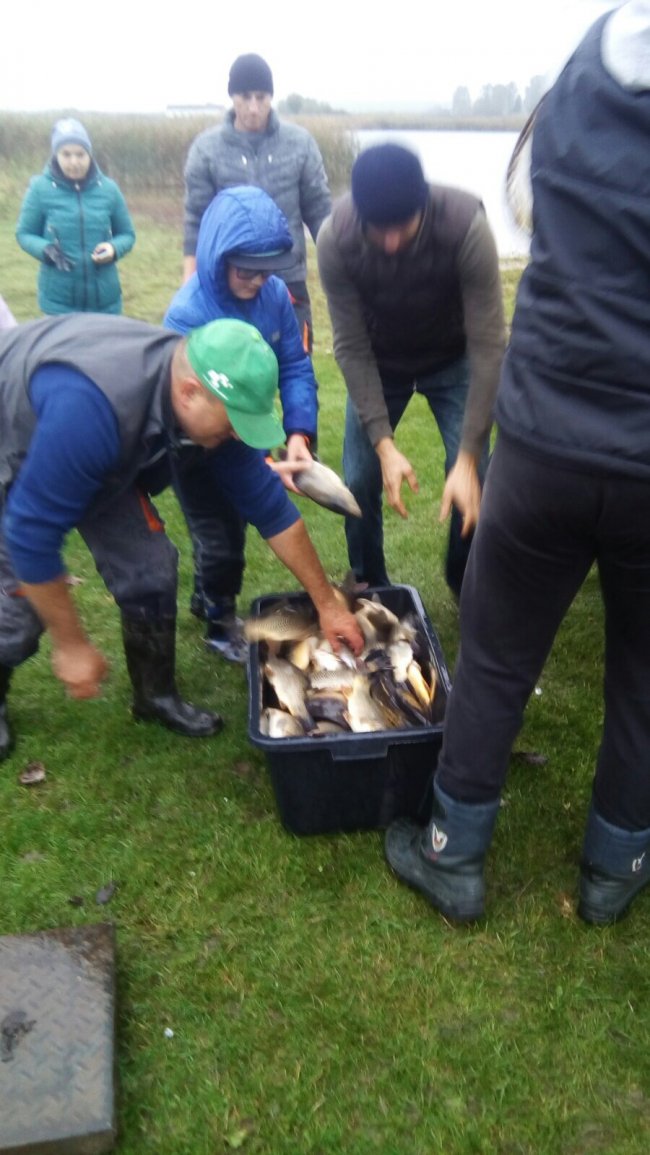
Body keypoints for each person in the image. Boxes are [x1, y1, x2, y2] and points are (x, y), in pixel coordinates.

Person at [384, 0, 650, 927]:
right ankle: (615, 868)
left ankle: (453, 853)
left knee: (496, 657)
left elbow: (525, 206)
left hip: (545, 442)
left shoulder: (577, 83)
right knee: (642, 678)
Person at [0, 314, 364, 763]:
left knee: (151, 568)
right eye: (233, 423)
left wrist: (328, 604)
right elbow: (31, 535)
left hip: (100, 459)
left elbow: (273, 511)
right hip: (18, 442)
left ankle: (154, 696)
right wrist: (71, 645)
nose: (237, 434)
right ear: (190, 392)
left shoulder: (208, 396)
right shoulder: (92, 408)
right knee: (19, 610)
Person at [316, 143, 506, 598]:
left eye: (402, 227)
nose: (390, 242)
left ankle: (465, 581)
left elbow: (489, 347)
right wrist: (384, 445)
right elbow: (351, 346)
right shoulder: (335, 239)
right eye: (378, 230)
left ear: (423, 205)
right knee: (359, 478)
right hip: (381, 361)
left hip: (454, 356)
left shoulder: (466, 227)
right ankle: (370, 584)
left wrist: (467, 459)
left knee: (474, 475)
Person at [166, 185, 318, 662]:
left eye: (266, 270)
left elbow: (294, 364)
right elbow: (181, 411)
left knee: (235, 524)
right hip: (195, 446)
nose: (257, 280)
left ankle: (206, 593)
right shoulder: (187, 316)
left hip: (241, 428)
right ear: (218, 257)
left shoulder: (275, 297)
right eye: (245, 270)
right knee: (218, 535)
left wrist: (298, 432)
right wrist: (255, 465)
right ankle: (218, 620)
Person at [182, 53, 331, 351]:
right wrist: (190, 279)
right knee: (231, 369)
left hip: (289, 282)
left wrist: (342, 264)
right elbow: (196, 220)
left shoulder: (300, 143)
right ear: (232, 97)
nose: (253, 107)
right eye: (245, 97)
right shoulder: (205, 149)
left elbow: (319, 210)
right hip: (231, 283)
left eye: (261, 97)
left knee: (295, 364)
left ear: (271, 97)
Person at [16, 118, 135, 315]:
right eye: (66, 154)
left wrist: (113, 248)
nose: (74, 162)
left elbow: (127, 235)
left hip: (105, 303)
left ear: (90, 155)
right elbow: (24, 234)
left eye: (80, 154)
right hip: (58, 304)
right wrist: (45, 250)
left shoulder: (109, 189)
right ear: (56, 155)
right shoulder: (39, 189)